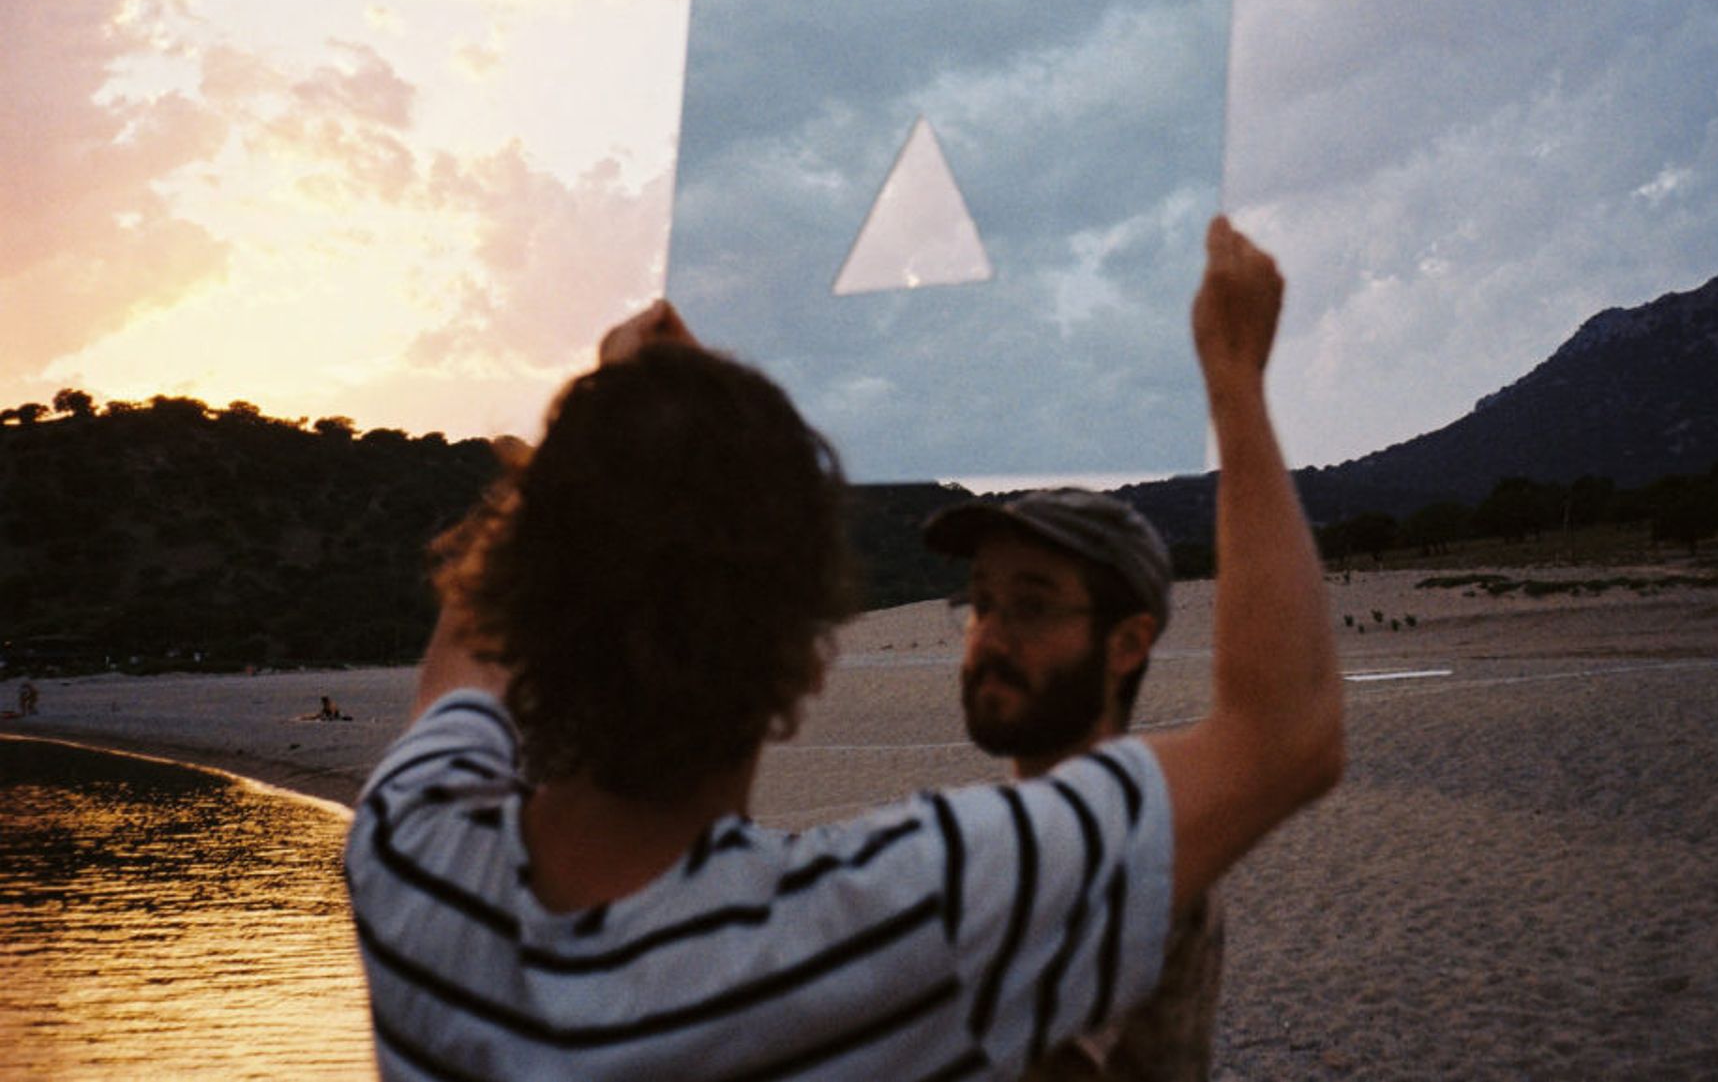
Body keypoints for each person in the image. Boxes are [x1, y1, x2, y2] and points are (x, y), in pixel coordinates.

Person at [345, 216, 1343, 1079]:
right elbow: (1283, 734)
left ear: (524, 598)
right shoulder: (866, 936)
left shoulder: (409, 851)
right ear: (806, 656)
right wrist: (1236, 379)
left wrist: (613, 427)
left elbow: (458, 673)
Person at [923, 488, 1221, 1081]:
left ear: (1126, 644)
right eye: (981, 603)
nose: (988, 637)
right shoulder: (1033, 830)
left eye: (1031, 607)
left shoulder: (1122, 843)